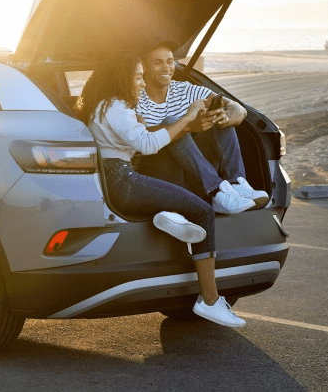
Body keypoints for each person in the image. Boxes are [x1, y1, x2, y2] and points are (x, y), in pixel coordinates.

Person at [77, 53, 247, 328]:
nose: (142, 84)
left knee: (179, 198)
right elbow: (147, 145)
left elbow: (134, 136)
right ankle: (210, 300)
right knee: (204, 211)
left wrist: (152, 124)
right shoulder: (115, 106)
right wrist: (187, 119)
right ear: (121, 77)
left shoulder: (103, 106)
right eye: (138, 77)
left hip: (121, 177)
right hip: (122, 179)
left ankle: (167, 215)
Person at [135, 40, 269, 213]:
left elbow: (238, 109)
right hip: (156, 173)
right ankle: (218, 190)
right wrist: (187, 125)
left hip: (191, 171)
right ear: (144, 67)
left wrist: (224, 118)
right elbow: (142, 139)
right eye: (157, 62)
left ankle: (236, 184)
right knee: (170, 123)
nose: (166, 67)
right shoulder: (136, 97)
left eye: (170, 61)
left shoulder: (185, 90)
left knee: (218, 113)